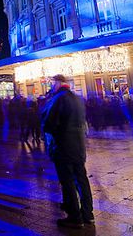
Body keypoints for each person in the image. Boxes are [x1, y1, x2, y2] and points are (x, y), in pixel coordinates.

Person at [42, 74, 94, 229]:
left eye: (52, 83)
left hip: (64, 147)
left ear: (58, 83)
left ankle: (74, 217)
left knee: (68, 182)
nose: (51, 86)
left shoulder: (58, 100)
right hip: (78, 147)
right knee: (82, 180)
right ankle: (88, 214)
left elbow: (49, 124)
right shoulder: (78, 99)